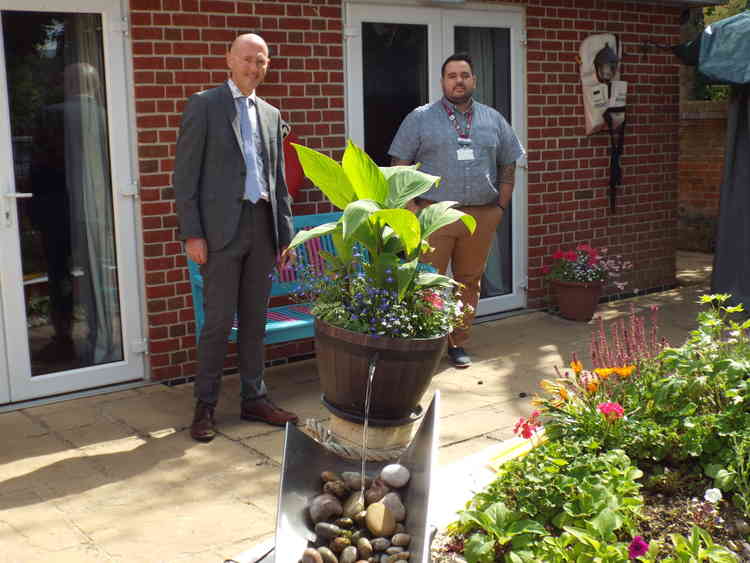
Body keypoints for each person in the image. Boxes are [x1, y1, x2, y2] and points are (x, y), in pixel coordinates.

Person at [173, 33, 298, 442]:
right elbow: (185, 176)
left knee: (255, 321)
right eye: (246, 59)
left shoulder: (271, 113)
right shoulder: (205, 105)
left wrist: (284, 235)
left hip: (261, 227)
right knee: (218, 323)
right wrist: (192, 233)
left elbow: (277, 181)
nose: (253, 67)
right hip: (220, 233)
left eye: (261, 61)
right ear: (229, 59)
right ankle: (204, 406)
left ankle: (254, 397)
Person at [389, 53, 525, 368]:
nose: (458, 81)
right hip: (435, 214)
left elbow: (509, 162)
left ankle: (457, 342)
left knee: (469, 280)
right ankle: (425, 343)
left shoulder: (493, 119)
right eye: (452, 75)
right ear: (442, 82)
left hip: (480, 215)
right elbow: (399, 165)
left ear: (474, 80)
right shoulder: (419, 118)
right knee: (428, 280)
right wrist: (410, 208)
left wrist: (501, 205)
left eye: (464, 75)